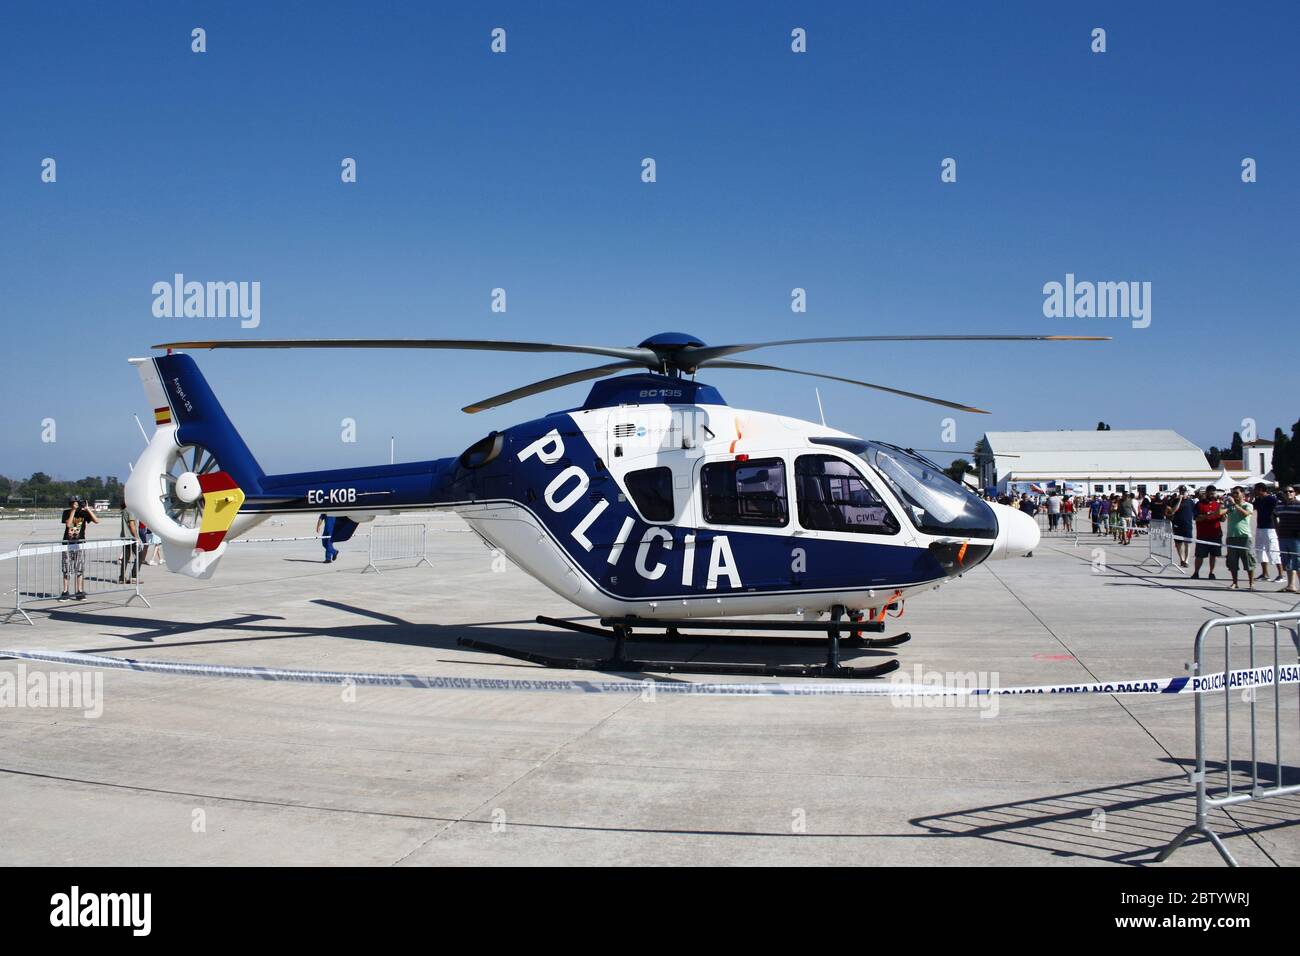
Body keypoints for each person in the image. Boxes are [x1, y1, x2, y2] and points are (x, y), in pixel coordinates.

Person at [60, 496, 99, 600]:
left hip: (80, 543)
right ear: (71, 503)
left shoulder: (83, 513)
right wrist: (73, 510)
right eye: (74, 502)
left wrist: (87, 509)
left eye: (78, 502)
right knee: (66, 568)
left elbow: (96, 521)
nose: (77, 504)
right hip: (67, 543)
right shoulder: (67, 512)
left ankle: (79, 591)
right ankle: (65, 591)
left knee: (79, 568)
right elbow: (68, 524)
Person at [1223, 487, 1256, 590]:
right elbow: (1223, 517)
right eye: (1233, 493)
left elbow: (1245, 514)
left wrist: (1234, 504)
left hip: (1244, 537)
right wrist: (1224, 508)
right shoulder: (1230, 507)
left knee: (1248, 560)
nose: (1235, 495)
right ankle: (1234, 582)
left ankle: (1251, 584)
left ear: (1242, 494)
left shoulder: (1248, 505)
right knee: (1232, 561)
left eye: (1237, 493)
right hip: (1231, 536)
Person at [1251, 483, 1283, 583]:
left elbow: (1278, 508)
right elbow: (1252, 507)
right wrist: (1252, 497)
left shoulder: (1271, 499)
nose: (1254, 491)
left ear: (1261, 489)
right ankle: (1265, 574)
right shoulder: (1259, 499)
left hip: (1270, 528)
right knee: (1260, 550)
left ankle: (1281, 575)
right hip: (1260, 527)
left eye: (1255, 489)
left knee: (1273, 550)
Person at [1191, 486, 1223, 580]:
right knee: (1199, 555)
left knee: (1213, 555)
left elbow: (1222, 519)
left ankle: (1211, 573)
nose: (1213, 495)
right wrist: (1207, 516)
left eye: (1214, 493)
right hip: (1202, 535)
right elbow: (1196, 518)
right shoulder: (1199, 504)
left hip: (1215, 534)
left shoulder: (1217, 505)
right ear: (1207, 493)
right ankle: (1196, 572)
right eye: (1211, 493)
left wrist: (1223, 514)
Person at [1275, 485, 1300, 594]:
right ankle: (1291, 585)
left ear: (1295, 493)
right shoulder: (1279, 506)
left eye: (1291, 491)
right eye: (1286, 492)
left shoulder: (1298, 505)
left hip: (1296, 538)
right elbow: (1274, 515)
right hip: (1283, 536)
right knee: (1287, 562)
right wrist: (1276, 528)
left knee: (1298, 562)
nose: (1288, 493)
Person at [1169, 486, 1196, 569]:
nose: (1183, 493)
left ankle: (1186, 560)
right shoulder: (1175, 501)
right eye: (1181, 492)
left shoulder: (1190, 502)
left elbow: (1194, 512)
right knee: (1178, 544)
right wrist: (1180, 500)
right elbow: (1173, 511)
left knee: (1187, 543)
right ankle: (1182, 559)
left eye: (1184, 492)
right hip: (1177, 524)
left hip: (1187, 525)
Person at [117, 497, 140, 584]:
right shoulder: (130, 510)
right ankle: (134, 577)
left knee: (126, 558)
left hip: (124, 537)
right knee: (139, 556)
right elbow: (132, 525)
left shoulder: (124, 510)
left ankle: (122, 578)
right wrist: (136, 537)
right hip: (131, 537)